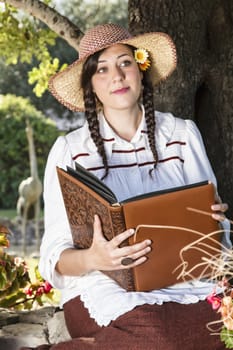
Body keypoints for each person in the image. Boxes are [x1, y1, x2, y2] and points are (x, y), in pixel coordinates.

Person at [21, 23, 231, 350]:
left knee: (221, 326)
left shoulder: (183, 134)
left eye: (125, 63)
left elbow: (215, 234)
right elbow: (54, 256)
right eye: (102, 69)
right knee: (157, 336)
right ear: (90, 86)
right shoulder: (70, 150)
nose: (117, 76)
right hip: (102, 289)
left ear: (141, 69)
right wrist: (95, 258)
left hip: (186, 281)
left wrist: (214, 220)